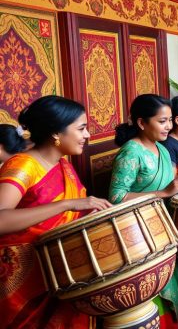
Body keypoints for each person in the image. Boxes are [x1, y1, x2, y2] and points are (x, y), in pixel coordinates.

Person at [0, 96, 111, 328]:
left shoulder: (63, 164)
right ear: (56, 134)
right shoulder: (24, 166)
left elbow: (67, 218)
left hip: (60, 270)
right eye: (81, 128)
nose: (88, 135)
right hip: (23, 280)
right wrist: (66, 205)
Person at [109, 94, 178, 325]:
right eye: (161, 121)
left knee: (170, 281)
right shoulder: (131, 152)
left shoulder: (161, 150)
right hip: (136, 233)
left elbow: (171, 186)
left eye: (170, 120)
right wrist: (162, 194)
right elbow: (115, 197)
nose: (169, 126)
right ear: (142, 123)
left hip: (161, 226)